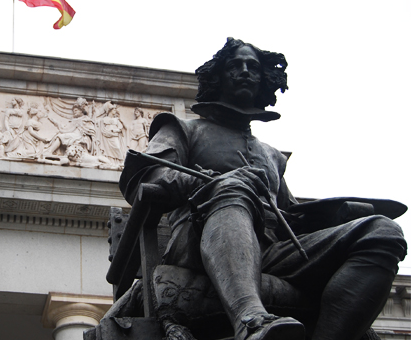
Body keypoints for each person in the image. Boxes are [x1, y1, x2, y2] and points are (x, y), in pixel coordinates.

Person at [119, 38, 407, 340]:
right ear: (218, 77)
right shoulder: (183, 129)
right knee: (233, 187)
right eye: (235, 65)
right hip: (200, 245)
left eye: (253, 67)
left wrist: (336, 215)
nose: (245, 71)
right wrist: (211, 181)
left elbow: (290, 216)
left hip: (273, 252)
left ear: (264, 80)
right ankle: (250, 320)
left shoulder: (271, 155)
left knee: (382, 231)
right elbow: (147, 176)